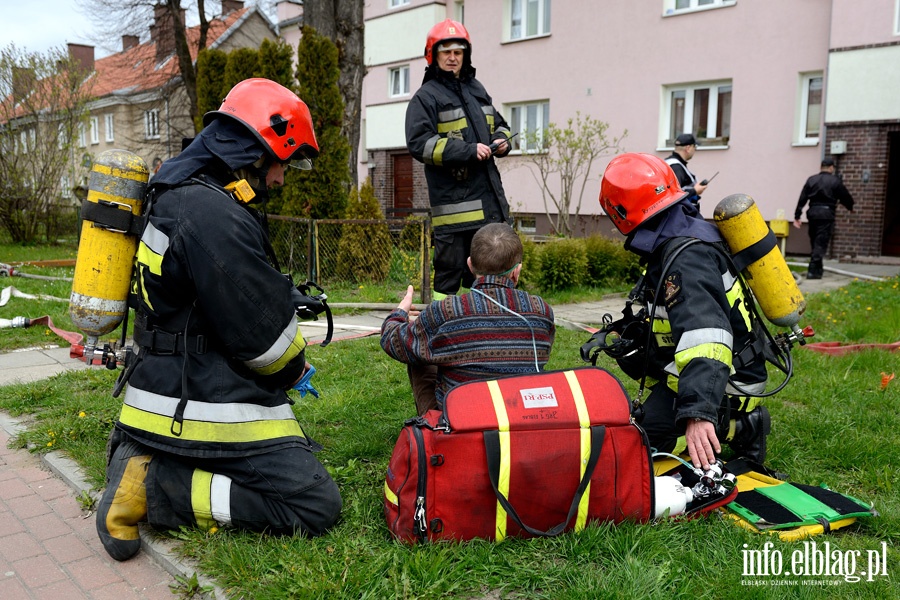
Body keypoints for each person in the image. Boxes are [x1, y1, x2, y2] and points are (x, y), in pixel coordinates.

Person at [95, 78, 342, 562]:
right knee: (314, 504)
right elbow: (266, 345)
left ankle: (139, 455)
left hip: (158, 387)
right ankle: (155, 486)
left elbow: (197, 290)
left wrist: (276, 292)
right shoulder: (211, 213)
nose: (280, 180)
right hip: (201, 399)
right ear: (255, 151)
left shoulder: (176, 192)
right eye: (281, 165)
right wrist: (296, 370)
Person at [598, 153, 770, 470]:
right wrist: (618, 334)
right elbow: (669, 315)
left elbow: (706, 336)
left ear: (620, 213)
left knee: (633, 447)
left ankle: (741, 426)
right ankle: (690, 415)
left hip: (727, 379)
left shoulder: (684, 259)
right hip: (721, 367)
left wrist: (697, 413)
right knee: (635, 396)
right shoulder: (681, 233)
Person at [381, 223, 555, 415]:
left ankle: (431, 426)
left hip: (460, 426)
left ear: (470, 264)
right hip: (522, 419)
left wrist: (399, 314)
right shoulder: (542, 310)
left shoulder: (445, 310)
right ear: (517, 271)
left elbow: (394, 342)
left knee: (417, 349)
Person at [406, 19, 514, 298]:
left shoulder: (477, 89)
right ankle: (441, 328)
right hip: (455, 213)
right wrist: (467, 151)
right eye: (446, 51)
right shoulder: (425, 97)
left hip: (489, 206)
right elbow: (419, 144)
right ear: (433, 55)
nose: (453, 57)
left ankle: (487, 326)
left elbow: (500, 124)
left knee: (492, 272)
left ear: (465, 54)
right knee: (449, 277)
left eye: (458, 51)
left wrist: (502, 141)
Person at [792, 157, 854, 279]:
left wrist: (797, 215)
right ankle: (813, 270)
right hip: (826, 214)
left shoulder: (811, 180)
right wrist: (850, 206)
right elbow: (845, 196)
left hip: (813, 213)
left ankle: (818, 269)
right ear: (831, 167)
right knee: (821, 242)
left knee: (815, 241)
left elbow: (802, 198)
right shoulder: (835, 181)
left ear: (821, 167)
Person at [664, 133, 707, 212]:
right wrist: (695, 191)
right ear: (688, 148)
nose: (695, 150)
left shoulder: (671, 163)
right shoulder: (676, 167)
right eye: (694, 147)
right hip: (681, 216)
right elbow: (673, 194)